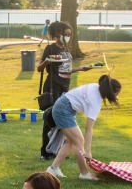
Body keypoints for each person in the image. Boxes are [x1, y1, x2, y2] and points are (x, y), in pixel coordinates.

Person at [46, 74, 121, 180]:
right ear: (109, 92)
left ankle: (53, 168)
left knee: (71, 141)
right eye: (116, 95)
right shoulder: (95, 101)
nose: (116, 98)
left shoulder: (95, 86)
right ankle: (84, 174)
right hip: (63, 109)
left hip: (63, 106)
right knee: (79, 141)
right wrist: (88, 151)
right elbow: (89, 128)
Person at [38, 21, 92, 159]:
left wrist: (81, 69)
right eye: (65, 34)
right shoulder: (51, 48)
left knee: (62, 121)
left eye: (69, 35)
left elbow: (66, 70)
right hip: (53, 87)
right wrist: (48, 61)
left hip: (64, 88)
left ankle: (59, 150)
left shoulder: (66, 50)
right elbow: (39, 68)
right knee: (50, 119)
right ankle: (46, 152)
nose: (67, 37)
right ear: (57, 34)